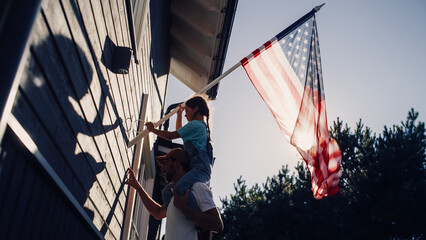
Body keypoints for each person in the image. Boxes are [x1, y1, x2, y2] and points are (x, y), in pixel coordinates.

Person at [125, 148, 223, 240]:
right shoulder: (174, 195)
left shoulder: (197, 187)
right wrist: (138, 187)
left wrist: (184, 209)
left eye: (165, 163)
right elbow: (158, 212)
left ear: (176, 163)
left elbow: (218, 225)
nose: (162, 168)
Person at [145, 95, 214, 209]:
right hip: (199, 169)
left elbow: (171, 135)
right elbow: (180, 133)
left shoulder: (196, 125)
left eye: (187, 111)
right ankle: (172, 212)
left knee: (179, 188)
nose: (185, 114)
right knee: (167, 191)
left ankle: (196, 214)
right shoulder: (200, 126)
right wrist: (179, 115)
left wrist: (152, 130)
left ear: (196, 109)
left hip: (200, 170)